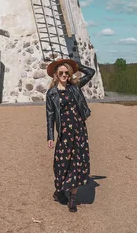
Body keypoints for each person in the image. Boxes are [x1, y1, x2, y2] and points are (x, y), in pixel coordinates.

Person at [46, 58, 95, 212]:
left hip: (79, 131)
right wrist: (50, 136)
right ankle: (59, 190)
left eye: (67, 72)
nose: (64, 75)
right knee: (62, 164)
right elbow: (50, 116)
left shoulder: (75, 87)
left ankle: (72, 198)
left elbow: (91, 73)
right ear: (55, 75)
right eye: (61, 72)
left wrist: (76, 65)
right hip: (64, 133)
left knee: (77, 163)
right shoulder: (52, 93)